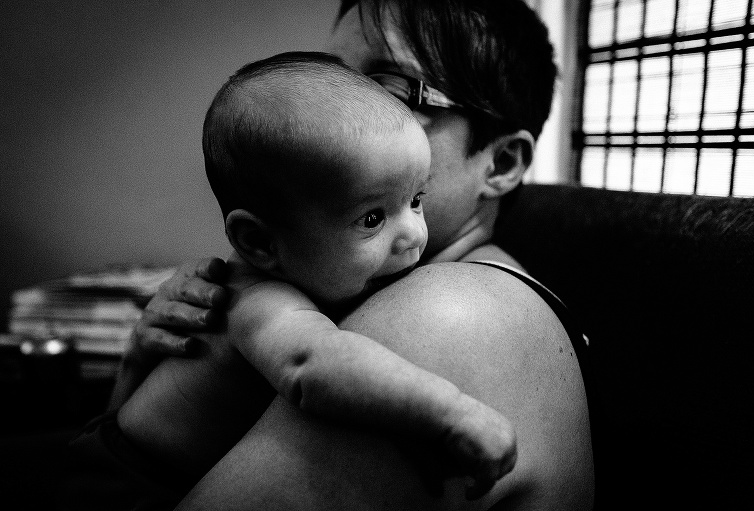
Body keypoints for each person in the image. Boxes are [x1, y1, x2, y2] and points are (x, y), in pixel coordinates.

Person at [113, 1, 596, 509]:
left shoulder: (455, 315)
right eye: (334, 82)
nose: (345, 110)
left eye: (389, 87)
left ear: (501, 162)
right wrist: (141, 364)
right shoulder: (348, 284)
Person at [63, 52, 518, 508]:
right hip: (119, 483)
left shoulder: (337, 277)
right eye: (373, 218)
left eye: (416, 200)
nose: (415, 234)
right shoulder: (260, 299)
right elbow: (312, 365)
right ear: (258, 242)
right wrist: (451, 412)